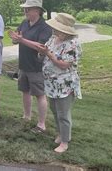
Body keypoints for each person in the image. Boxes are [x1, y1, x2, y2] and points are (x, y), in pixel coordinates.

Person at [36, 13, 82, 153]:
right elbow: (42, 56)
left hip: (65, 85)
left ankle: (64, 142)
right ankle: (61, 134)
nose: (55, 31)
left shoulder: (72, 44)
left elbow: (63, 65)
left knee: (63, 113)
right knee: (55, 111)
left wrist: (49, 54)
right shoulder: (52, 39)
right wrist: (42, 52)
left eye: (58, 29)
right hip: (51, 83)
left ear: (66, 31)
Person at [8, 0, 52, 133]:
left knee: (39, 94)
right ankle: (26, 116)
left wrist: (22, 40)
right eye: (25, 9)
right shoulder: (24, 23)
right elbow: (18, 38)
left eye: (29, 9)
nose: (25, 11)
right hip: (23, 65)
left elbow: (41, 47)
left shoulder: (45, 27)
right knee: (25, 91)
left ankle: (41, 124)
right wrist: (15, 39)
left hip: (37, 67)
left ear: (37, 10)